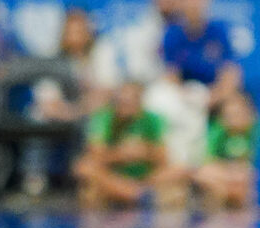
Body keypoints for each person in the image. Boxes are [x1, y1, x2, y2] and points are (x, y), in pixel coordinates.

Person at [75, 80, 186, 210]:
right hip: (115, 175)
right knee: (85, 168)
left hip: (146, 175)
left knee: (180, 170)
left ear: (139, 102)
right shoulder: (103, 119)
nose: (124, 106)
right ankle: (139, 196)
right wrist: (121, 154)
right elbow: (96, 156)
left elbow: (164, 159)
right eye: (121, 102)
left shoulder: (154, 119)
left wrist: (144, 152)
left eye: (129, 102)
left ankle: (129, 193)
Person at [160, 0, 237, 87]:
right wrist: (188, 98)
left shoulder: (219, 30)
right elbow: (171, 74)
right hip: (184, 93)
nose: (194, 4)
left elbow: (230, 72)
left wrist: (211, 98)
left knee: (234, 104)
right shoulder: (172, 34)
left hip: (214, 91)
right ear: (180, 1)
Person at [196, 87, 260, 211]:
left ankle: (245, 208)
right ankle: (220, 212)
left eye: (238, 114)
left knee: (245, 179)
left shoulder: (258, 130)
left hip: (248, 174)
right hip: (226, 175)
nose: (234, 119)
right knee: (206, 175)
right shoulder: (218, 130)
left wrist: (240, 170)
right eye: (229, 115)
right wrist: (229, 172)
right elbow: (208, 160)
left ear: (249, 112)